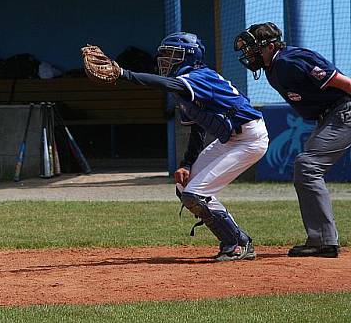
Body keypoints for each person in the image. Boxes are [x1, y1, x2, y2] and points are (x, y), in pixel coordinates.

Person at [97, 32, 268, 261]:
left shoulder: (198, 76)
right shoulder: (184, 87)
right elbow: (198, 130)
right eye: (164, 54)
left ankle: (235, 244)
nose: (165, 60)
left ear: (189, 56)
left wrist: (124, 74)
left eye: (172, 55)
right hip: (231, 140)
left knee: (195, 194)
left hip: (249, 138)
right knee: (184, 187)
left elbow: (166, 84)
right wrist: (186, 163)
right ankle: (239, 238)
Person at [235, 22, 350, 258]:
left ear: (270, 46)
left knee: (307, 166)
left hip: (344, 111)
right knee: (305, 169)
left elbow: (341, 82)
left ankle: (324, 241)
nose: (248, 54)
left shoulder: (292, 59)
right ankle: (321, 239)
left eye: (253, 48)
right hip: (329, 116)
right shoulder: (273, 68)